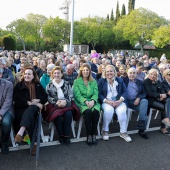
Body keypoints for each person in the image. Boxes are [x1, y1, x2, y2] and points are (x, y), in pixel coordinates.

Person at [13, 67, 48, 155]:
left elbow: (45, 97)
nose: (27, 76)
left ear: (33, 76)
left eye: (29, 74)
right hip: (22, 108)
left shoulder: (38, 85)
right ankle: (35, 144)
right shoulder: (19, 85)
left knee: (32, 111)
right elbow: (17, 99)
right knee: (31, 116)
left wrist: (38, 100)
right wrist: (28, 102)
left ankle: (21, 132)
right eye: (25, 74)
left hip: (35, 109)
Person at [98, 65, 132, 142]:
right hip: (107, 101)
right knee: (109, 111)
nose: (109, 73)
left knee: (122, 111)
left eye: (111, 71)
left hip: (118, 101)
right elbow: (99, 94)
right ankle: (105, 130)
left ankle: (123, 132)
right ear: (105, 73)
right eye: (107, 71)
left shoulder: (119, 80)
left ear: (114, 72)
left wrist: (120, 101)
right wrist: (108, 101)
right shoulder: (101, 81)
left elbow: (125, 92)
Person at [73, 63, 100, 145]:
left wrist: (92, 101)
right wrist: (86, 101)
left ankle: (94, 134)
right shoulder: (77, 81)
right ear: (81, 71)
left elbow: (96, 93)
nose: (85, 72)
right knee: (88, 112)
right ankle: (89, 135)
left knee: (96, 112)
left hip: (93, 102)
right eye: (84, 70)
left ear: (89, 71)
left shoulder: (93, 81)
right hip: (82, 102)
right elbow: (77, 95)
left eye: (87, 70)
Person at [46, 66, 73, 145]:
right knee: (57, 115)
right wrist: (56, 102)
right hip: (55, 105)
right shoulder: (49, 85)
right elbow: (48, 97)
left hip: (66, 104)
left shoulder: (67, 83)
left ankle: (67, 136)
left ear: (62, 74)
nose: (57, 75)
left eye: (58, 73)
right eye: (55, 73)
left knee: (68, 114)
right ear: (52, 75)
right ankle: (61, 135)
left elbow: (70, 95)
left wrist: (65, 101)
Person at [123, 68, 148, 139]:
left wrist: (139, 98)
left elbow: (144, 93)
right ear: (127, 74)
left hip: (137, 101)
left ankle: (141, 125)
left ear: (136, 74)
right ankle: (142, 129)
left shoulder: (140, 82)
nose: (132, 75)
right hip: (127, 102)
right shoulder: (123, 80)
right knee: (144, 108)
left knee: (145, 101)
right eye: (130, 73)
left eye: (134, 73)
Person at [143, 69, 170, 135]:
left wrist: (162, 95)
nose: (153, 76)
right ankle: (163, 126)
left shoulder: (158, 82)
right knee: (164, 107)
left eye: (154, 75)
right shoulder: (146, 82)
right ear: (148, 74)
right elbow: (149, 93)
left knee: (168, 100)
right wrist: (160, 95)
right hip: (150, 100)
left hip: (158, 99)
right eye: (151, 74)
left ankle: (166, 120)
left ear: (157, 76)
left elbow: (162, 90)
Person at [0, 75, 14, 154]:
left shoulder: (8, 84)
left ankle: (4, 142)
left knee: (6, 122)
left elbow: (8, 101)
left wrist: (0, 114)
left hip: (6, 109)